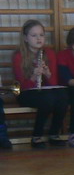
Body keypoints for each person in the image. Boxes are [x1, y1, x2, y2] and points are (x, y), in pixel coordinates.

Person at [12, 20, 67, 148]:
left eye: (41, 35)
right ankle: (37, 136)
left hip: (45, 91)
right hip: (25, 94)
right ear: (25, 38)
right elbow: (21, 87)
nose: (39, 38)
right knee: (47, 99)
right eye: (34, 35)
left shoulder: (49, 54)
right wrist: (34, 76)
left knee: (63, 96)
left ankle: (54, 134)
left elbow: (54, 83)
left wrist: (48, 74)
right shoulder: (18, 56)